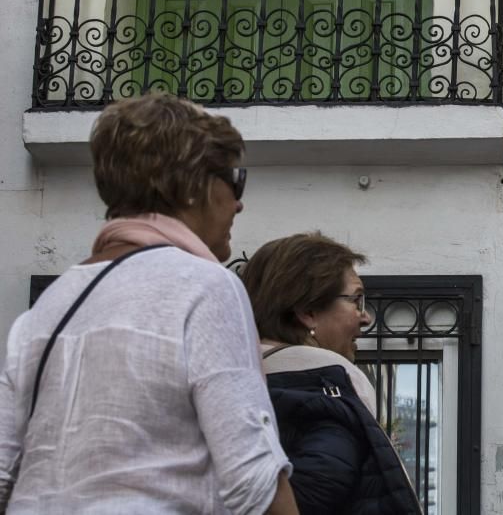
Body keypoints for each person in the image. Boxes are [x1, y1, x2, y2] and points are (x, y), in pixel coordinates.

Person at [0, 93, 298, 514]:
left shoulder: (45, 309)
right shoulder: (205, 286)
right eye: (235, 179)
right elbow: (255, 482)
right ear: (195, 186)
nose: (239, 201)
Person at [241, 232, 423, 515]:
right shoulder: (325, 400)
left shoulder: (239, 389)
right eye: (356, 300)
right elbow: (306, 498)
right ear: (308, 311)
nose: (366, 317)